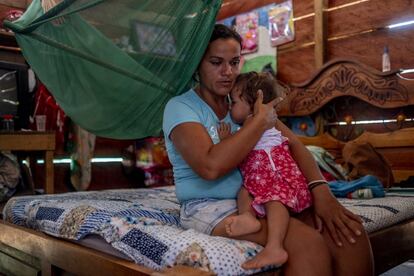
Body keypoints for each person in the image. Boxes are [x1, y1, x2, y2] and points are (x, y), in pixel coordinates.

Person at [162, 24, 373, 275]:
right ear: (197, 64)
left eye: (234, 62)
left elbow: (293, 144)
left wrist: (321, 191)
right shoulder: (180, 107)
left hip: (263, 195)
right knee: (307, 244)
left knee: (350, 235)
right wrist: (259, 122)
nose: (227, 72)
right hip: (209, 206)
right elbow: (210, 167)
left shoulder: (244, 102)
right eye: (216, 62)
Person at [216, 71, 312, 269]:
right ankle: (248, 217)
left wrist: (226, 141)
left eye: (233, 102)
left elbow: (238, 149)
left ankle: (275, 247)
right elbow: (238, 150)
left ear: (254, 104)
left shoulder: (255, 123)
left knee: (274, 200)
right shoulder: (251, 125)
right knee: (244, 192)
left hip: (275, 176)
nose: (230, 107)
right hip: (259, 178)